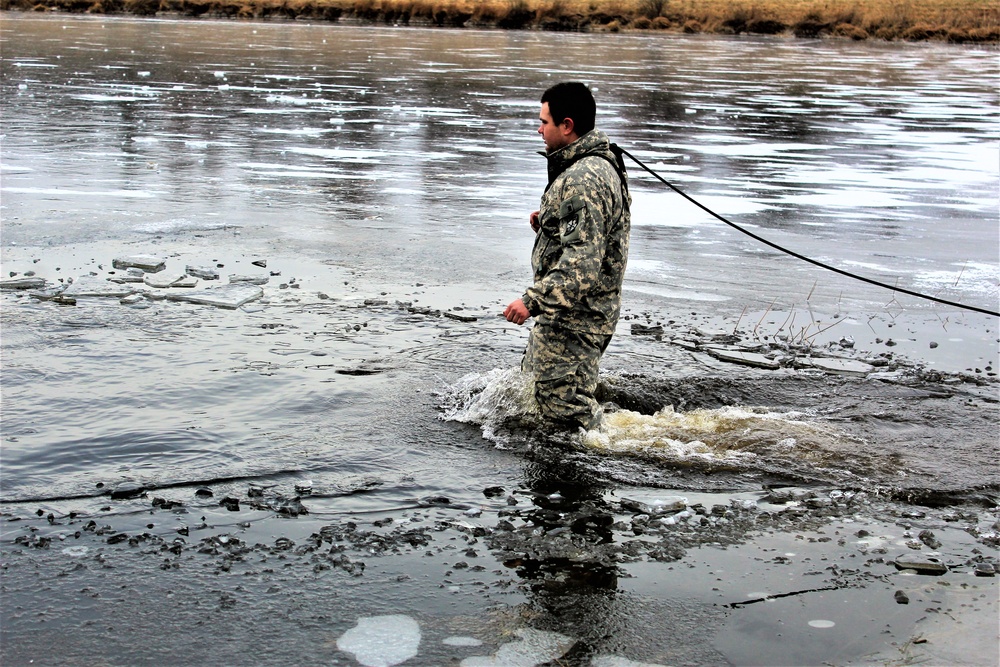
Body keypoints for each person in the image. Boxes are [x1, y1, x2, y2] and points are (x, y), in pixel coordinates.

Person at [504, 81, 631, 432]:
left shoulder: (583, 178)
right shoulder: (595, 166)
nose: (539, 128)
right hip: (570, 316)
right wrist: (549, 225)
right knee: (536, 399)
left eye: (544, 121)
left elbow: (582, 265)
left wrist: (531, 301)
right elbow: (593, 238)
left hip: (576, 319)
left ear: (567, 125)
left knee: (569, 423)